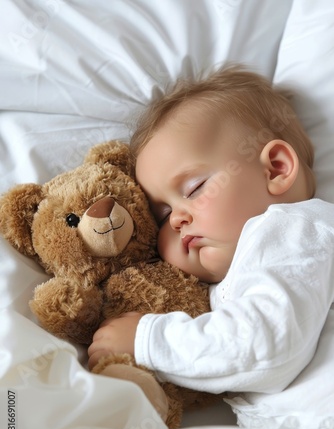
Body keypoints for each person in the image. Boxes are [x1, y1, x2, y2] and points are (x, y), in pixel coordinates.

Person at [88, 64, 334, 400]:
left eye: (194, 188)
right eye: (161, 216)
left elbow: (267, 345)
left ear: (276, 169)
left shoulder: (292, 230)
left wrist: (148, 341)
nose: (176, 220)